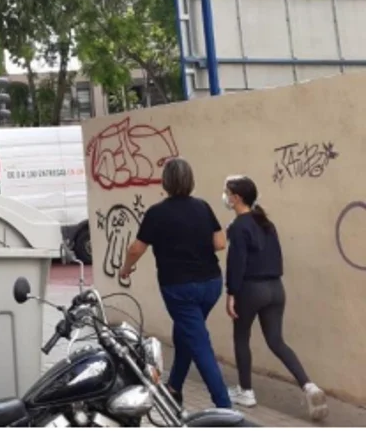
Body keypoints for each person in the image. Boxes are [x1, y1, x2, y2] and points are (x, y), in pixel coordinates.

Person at [118, 157, 231, 409]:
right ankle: (174, 387)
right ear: (191, 180)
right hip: (211, 284)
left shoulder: (157, 213)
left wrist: (126, 269)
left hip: (179, 289)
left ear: (165, 182)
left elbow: (136, 248)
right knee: (186, 334)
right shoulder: (203, 207)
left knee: (199, 344)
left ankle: (225, 409)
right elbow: (220, 243)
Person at [222, 175, 327, 420]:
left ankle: (246, 391)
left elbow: (237, 263)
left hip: (251, 289)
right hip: (275, 289)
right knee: (276, 341)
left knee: (241, 337)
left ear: (237, 198)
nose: (225, 197)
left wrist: (231, 293)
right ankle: (308, 385)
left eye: (227, 192)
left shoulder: (239, 226)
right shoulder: (266, 223)